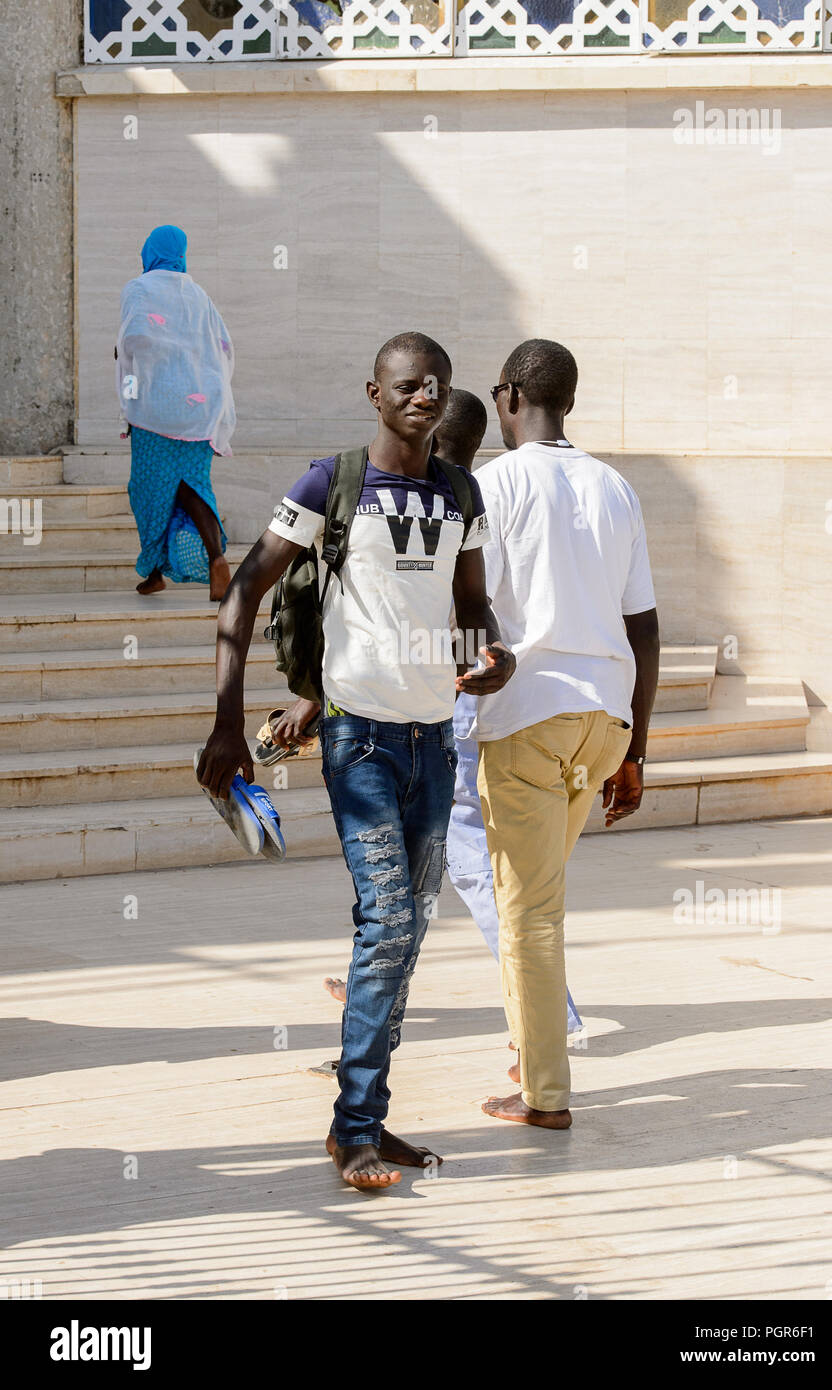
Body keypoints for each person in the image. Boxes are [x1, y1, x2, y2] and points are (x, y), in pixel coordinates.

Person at [197, 334, 515, 1189]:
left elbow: (473, 608)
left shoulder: (458, 492)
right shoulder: (328, 484)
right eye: (407, 385)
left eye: (434, 386)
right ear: (373, 393)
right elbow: (243, 592)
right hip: (359, 739)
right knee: (387, 923)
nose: (423, 396)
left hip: (433, 739)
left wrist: (494, 658)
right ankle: (355, 1128)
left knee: (407, 934)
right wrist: (229, 726)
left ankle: (364, 1123)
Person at [324, 387, 583, 1079]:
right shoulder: (471, 497)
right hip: (458, 705)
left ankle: (549, 1014)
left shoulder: (456, 504)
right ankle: (372, 999)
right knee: (412, 885)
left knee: (463, 867)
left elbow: (467, 612)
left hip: (444, 710)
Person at [475, 339, 660, 1130]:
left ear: (505, 396)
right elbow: (644, 627)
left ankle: (543, 1094)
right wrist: (636, 750)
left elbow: (464, 606)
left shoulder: (495, 482)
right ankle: (530, 1047)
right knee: (539, 893)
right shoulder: (615, 487)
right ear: (569, 404)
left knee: (530, 909)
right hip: (603, 722)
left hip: (531, 714)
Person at [116, 224, 235, 601]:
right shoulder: (198, 294)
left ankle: (152, 571)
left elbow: (135, 337)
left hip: (156, 409)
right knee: (192, 486)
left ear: (149, 252)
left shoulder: (139, 287)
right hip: (201, 410)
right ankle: (217, 561)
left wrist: (123, 356)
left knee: (147, 488)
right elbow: (223, 347)